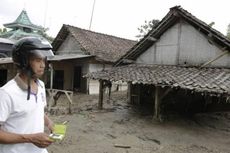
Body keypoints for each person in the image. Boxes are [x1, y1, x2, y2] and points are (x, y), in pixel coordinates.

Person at [0, 37, 55, 153]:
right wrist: (30, 138)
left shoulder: (41, 85)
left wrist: (49, 123)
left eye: (43, 60)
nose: (43, 65)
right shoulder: (6, 93)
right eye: (37, 60)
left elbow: (37, 111)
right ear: (23, 61)